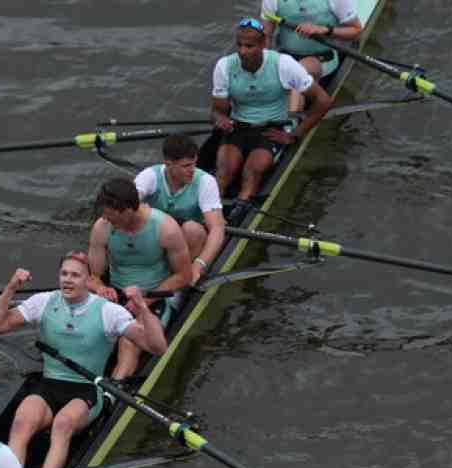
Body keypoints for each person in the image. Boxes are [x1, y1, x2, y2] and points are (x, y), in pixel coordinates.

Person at [0, 253, 167, 468]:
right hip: (49, 383)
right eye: (64, 274)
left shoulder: (107, 311)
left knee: (62, 424)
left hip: (87, 389)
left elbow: (157, 347)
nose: (68, 280)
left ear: (89, 280)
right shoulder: (44, 301)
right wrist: (10, 289)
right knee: (20, 422)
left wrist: (141, 306)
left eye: (75, 275)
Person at [210, 17, 334, 202]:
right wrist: (219, 118)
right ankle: (211, 218)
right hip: (238, 127)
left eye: (249, 46)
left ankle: (240, 210)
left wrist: (295, 134)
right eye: (239, 45)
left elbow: (323, 101)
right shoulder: (225, 66)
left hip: (272, 130)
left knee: (251, 173)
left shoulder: (283, 64)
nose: (242, 51)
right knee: (223, 174)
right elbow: (217, 111)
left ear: (263, 44)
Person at [87, 178, 192, 381]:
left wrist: (143, 302)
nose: (106, 219)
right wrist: (100, 288)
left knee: (130, 341)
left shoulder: (165, 228)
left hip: (155, 294)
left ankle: (115, 391)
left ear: (127, 211)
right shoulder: (102, 227)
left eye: (111, 215)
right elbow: (94, 276)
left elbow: (183, 276)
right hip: (117, 292)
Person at [134, 134, 226, 287]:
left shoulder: (205, 181)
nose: (192, 170)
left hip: (189, 240)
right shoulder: (149, 176)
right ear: (168, 164)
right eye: (186, 166)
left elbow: (217, 228)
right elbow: (127, 204)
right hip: (158, 236)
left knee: (193, 229)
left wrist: (199, 265)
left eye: (194, 164)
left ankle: (186, 275)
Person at [260, 0, 364, 79]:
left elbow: (356, 32)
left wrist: (325, 30)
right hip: (286, 57)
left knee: (298, 72)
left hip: (323, 59)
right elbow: (266, 36)